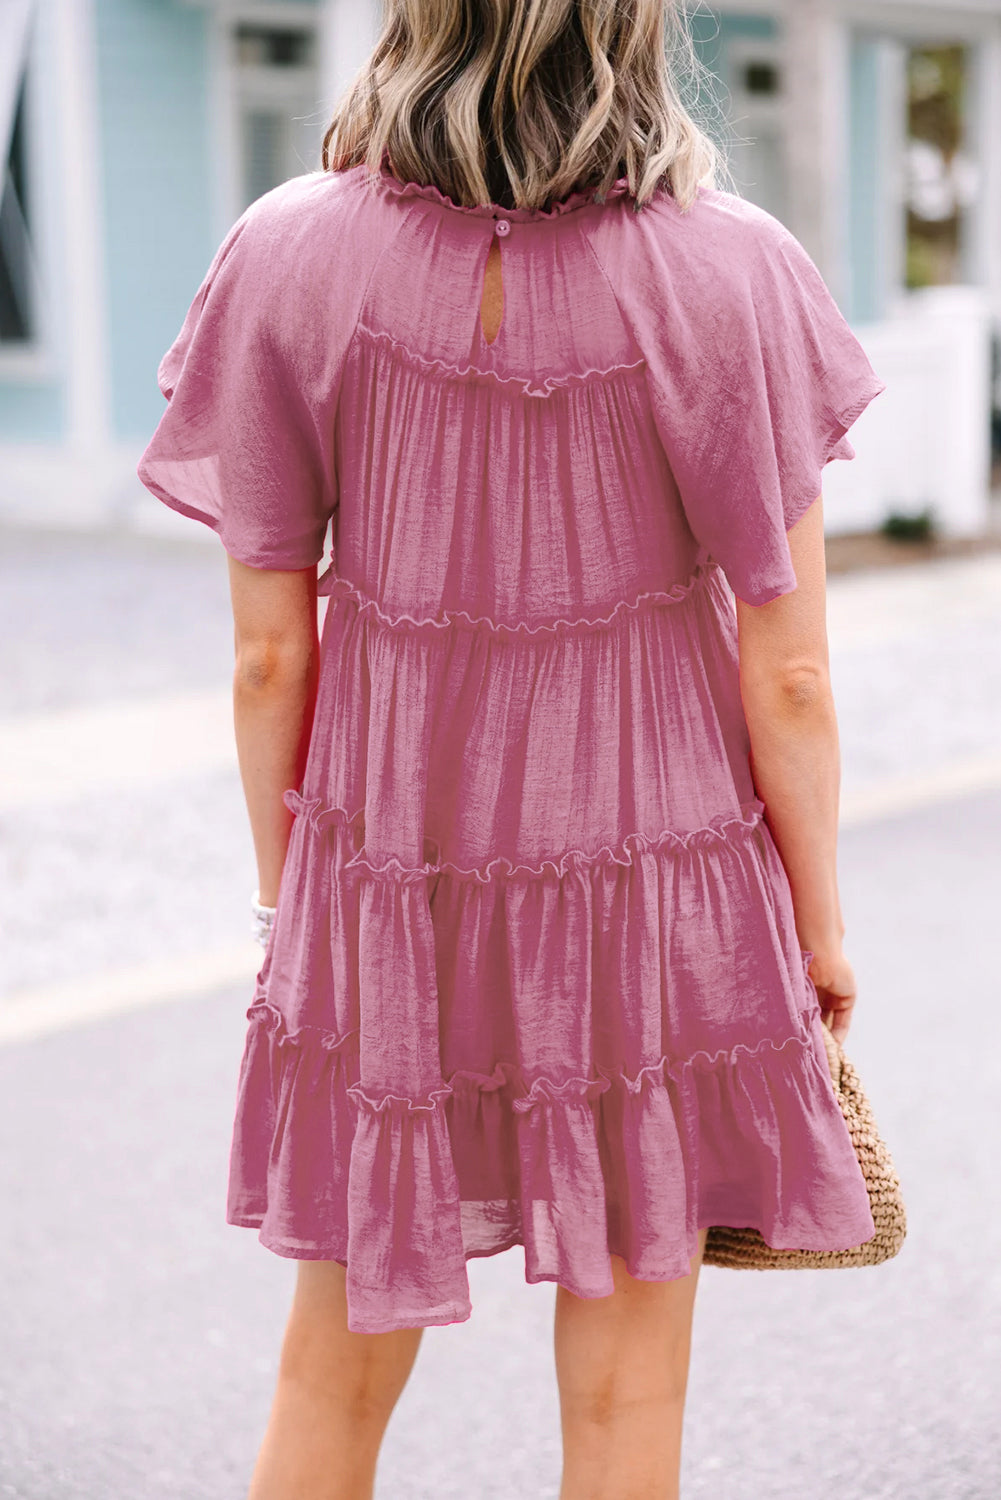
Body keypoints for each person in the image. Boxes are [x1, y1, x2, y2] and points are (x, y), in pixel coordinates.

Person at [136, 2, 886, 1496]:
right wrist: (816, 924)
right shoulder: (733, 272)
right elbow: (788, 670)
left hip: (387, 880)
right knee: (622, 1411)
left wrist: (305, 913)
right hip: (652, 888)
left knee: (326, 1379)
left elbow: (269, 652)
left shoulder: (287, 249)